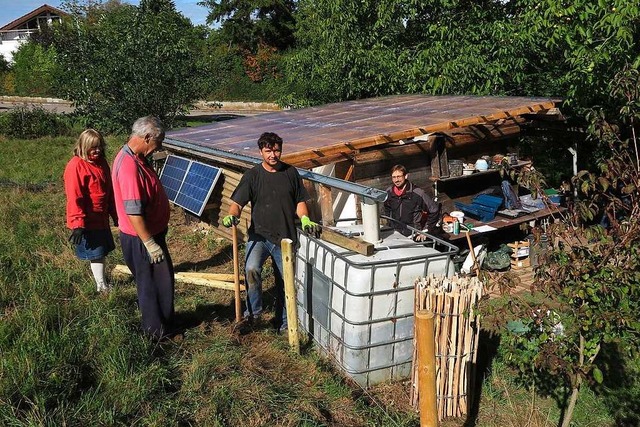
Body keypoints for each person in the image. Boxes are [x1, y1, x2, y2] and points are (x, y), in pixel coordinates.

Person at [222, 132, 320, 334]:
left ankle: (284, 323)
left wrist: (305, 218)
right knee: (251, 269)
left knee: (285, 282)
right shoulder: (253, 175)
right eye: (268, 151)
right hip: (259, 236)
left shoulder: (291, 173)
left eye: (276, 150)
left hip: (285, 238)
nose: (273, 155)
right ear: (261, 152)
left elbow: (300, 201)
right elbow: (237, 203)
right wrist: (232, 215)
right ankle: (253, 315)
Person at [112, 116, 174, 340]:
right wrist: (150, 244)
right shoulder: (129, 166)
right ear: (146, 137)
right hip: (141, 239)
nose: (157, 147)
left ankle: (162, 325)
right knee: (151, 285)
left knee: (160, 282)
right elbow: (134, 211)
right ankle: (156, 334)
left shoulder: (134, 157)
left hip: (147, 235)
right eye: (157, 143)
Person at [64, 129, 118, 292]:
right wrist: (78, 223)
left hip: (100, 217)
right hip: (88, 220)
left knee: (101, 251)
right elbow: (74, 197)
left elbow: (109, 192)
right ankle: (101, 286)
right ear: (83, 146)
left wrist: (115, 215)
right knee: (96, 253)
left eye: (100, 146)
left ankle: (102, 282)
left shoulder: (101, 163)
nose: (98, 150)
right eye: (93, 147)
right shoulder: (76, 166)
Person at [383, 164, 440, 240]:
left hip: (413, 235)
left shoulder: (417, 193)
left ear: (406, 176)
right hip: (395, 234)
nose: (396, 180)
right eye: (394, 177)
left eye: (399, 176)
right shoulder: (389, 192)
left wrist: (426, 231)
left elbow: (434, 210)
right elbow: (387, 209)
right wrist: (390, 225)